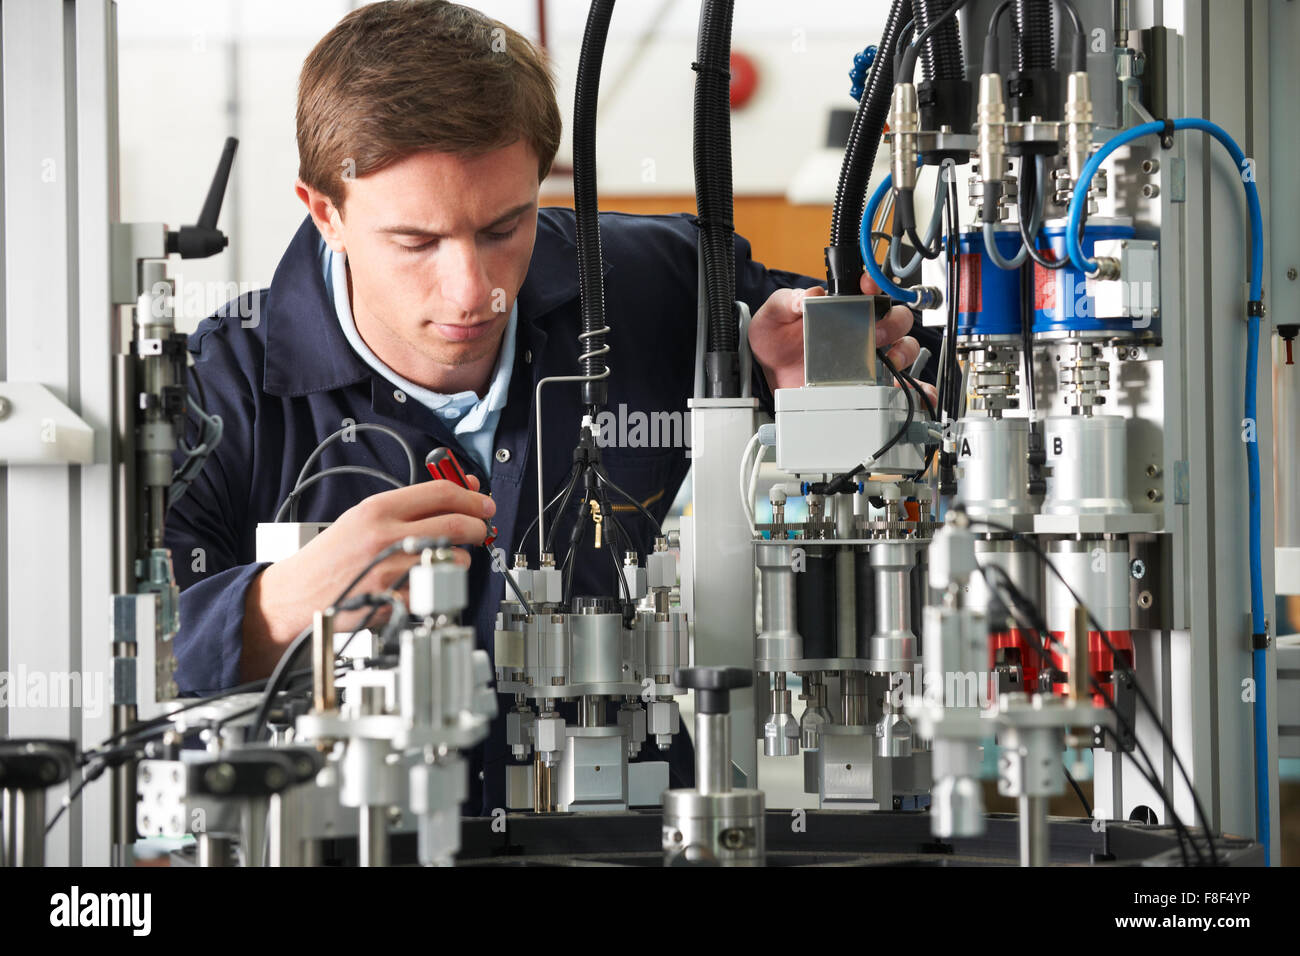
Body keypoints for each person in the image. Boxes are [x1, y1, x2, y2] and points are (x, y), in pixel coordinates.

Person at [167, 0, 936, 813]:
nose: (472, 290)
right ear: (326, 212)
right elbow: (118, 647)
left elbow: (903, 374)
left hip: (625, 831)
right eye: (417, 243)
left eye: (506, 225)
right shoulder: (228, 382)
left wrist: (807, 377)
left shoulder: (659, 283)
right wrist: (279, 605)